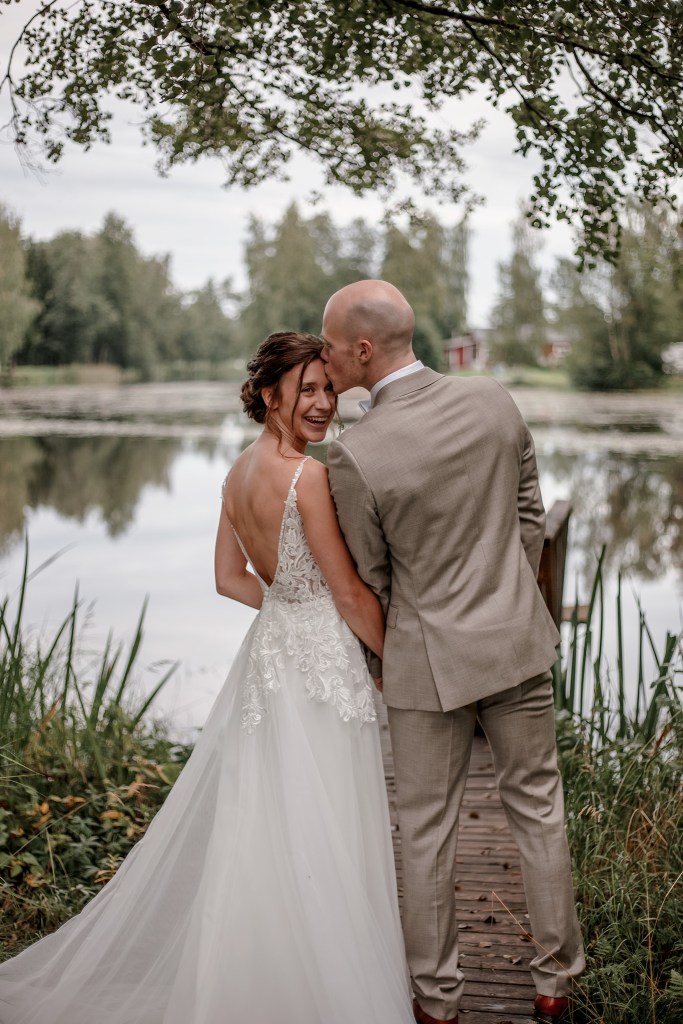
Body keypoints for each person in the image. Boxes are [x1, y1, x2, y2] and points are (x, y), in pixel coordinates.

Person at [0, 331, 415, 1024]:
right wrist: (395, 666)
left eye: (326, 389)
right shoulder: (306, 477)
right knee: (328, 822)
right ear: (266, 395)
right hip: (319, 664)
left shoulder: (235, 476)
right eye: (305, 390)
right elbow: (348, 595)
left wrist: (287, 606)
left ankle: (253, 987)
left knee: (274, 820)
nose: (322, 403)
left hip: (270, 656)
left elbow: (229, 580)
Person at [321, 281, 585, 1024]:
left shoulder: (355, 455)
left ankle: (438, 1002)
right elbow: (529, 514)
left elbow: (373, 576)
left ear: (364, 350)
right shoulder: (495, 400)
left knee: (426, 832)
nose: (327, 359)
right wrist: (503, 589)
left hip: (424, 665)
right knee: (539, 811)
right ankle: (553, 985)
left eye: (333, 347)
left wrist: (402, 641)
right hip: (517, 644)